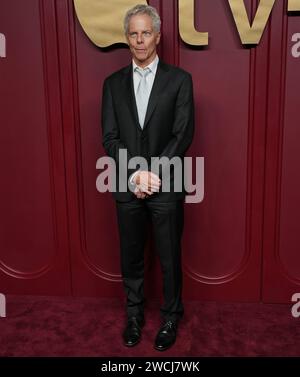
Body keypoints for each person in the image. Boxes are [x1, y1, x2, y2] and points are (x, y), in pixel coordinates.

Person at [101, 4, 194, 351]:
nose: (140, 40)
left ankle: (171, 316)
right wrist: (135, 175)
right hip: (128, 187)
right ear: (127, 38)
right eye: (133, 34)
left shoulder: (179, 80)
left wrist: (153, 173)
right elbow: (110, 137)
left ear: (158, 35)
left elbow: (182, 134)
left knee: (169, 257)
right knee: (132, 257)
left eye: (146, 33)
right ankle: (134, 316)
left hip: (166, 185)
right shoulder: (112, 84)